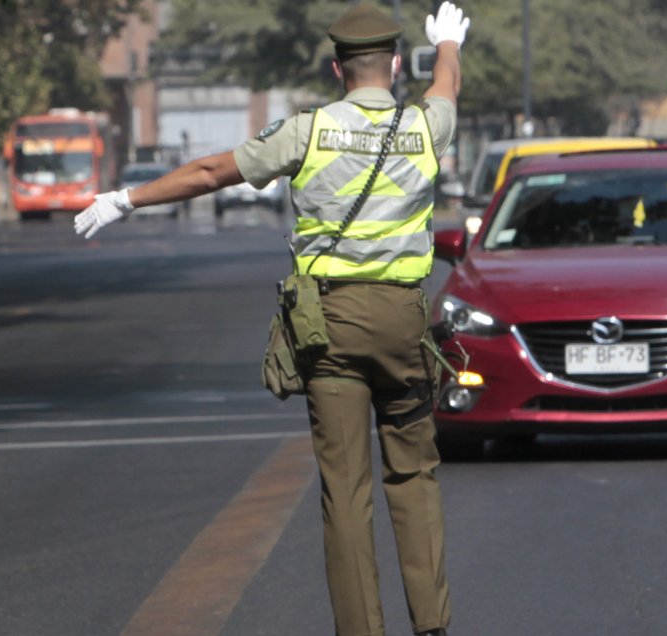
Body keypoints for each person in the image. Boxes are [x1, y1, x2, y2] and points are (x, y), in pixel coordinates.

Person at [73, 3, 470, 635]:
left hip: (329, 326)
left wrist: (127, 198)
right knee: (415, 477)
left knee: (346, 491)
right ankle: (432, 626)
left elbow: (211, 171)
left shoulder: (306, 131)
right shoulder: (427, 127)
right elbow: (445, 84)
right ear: (395, 66)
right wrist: (448, 42)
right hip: (403, 321)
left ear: (337, 68)